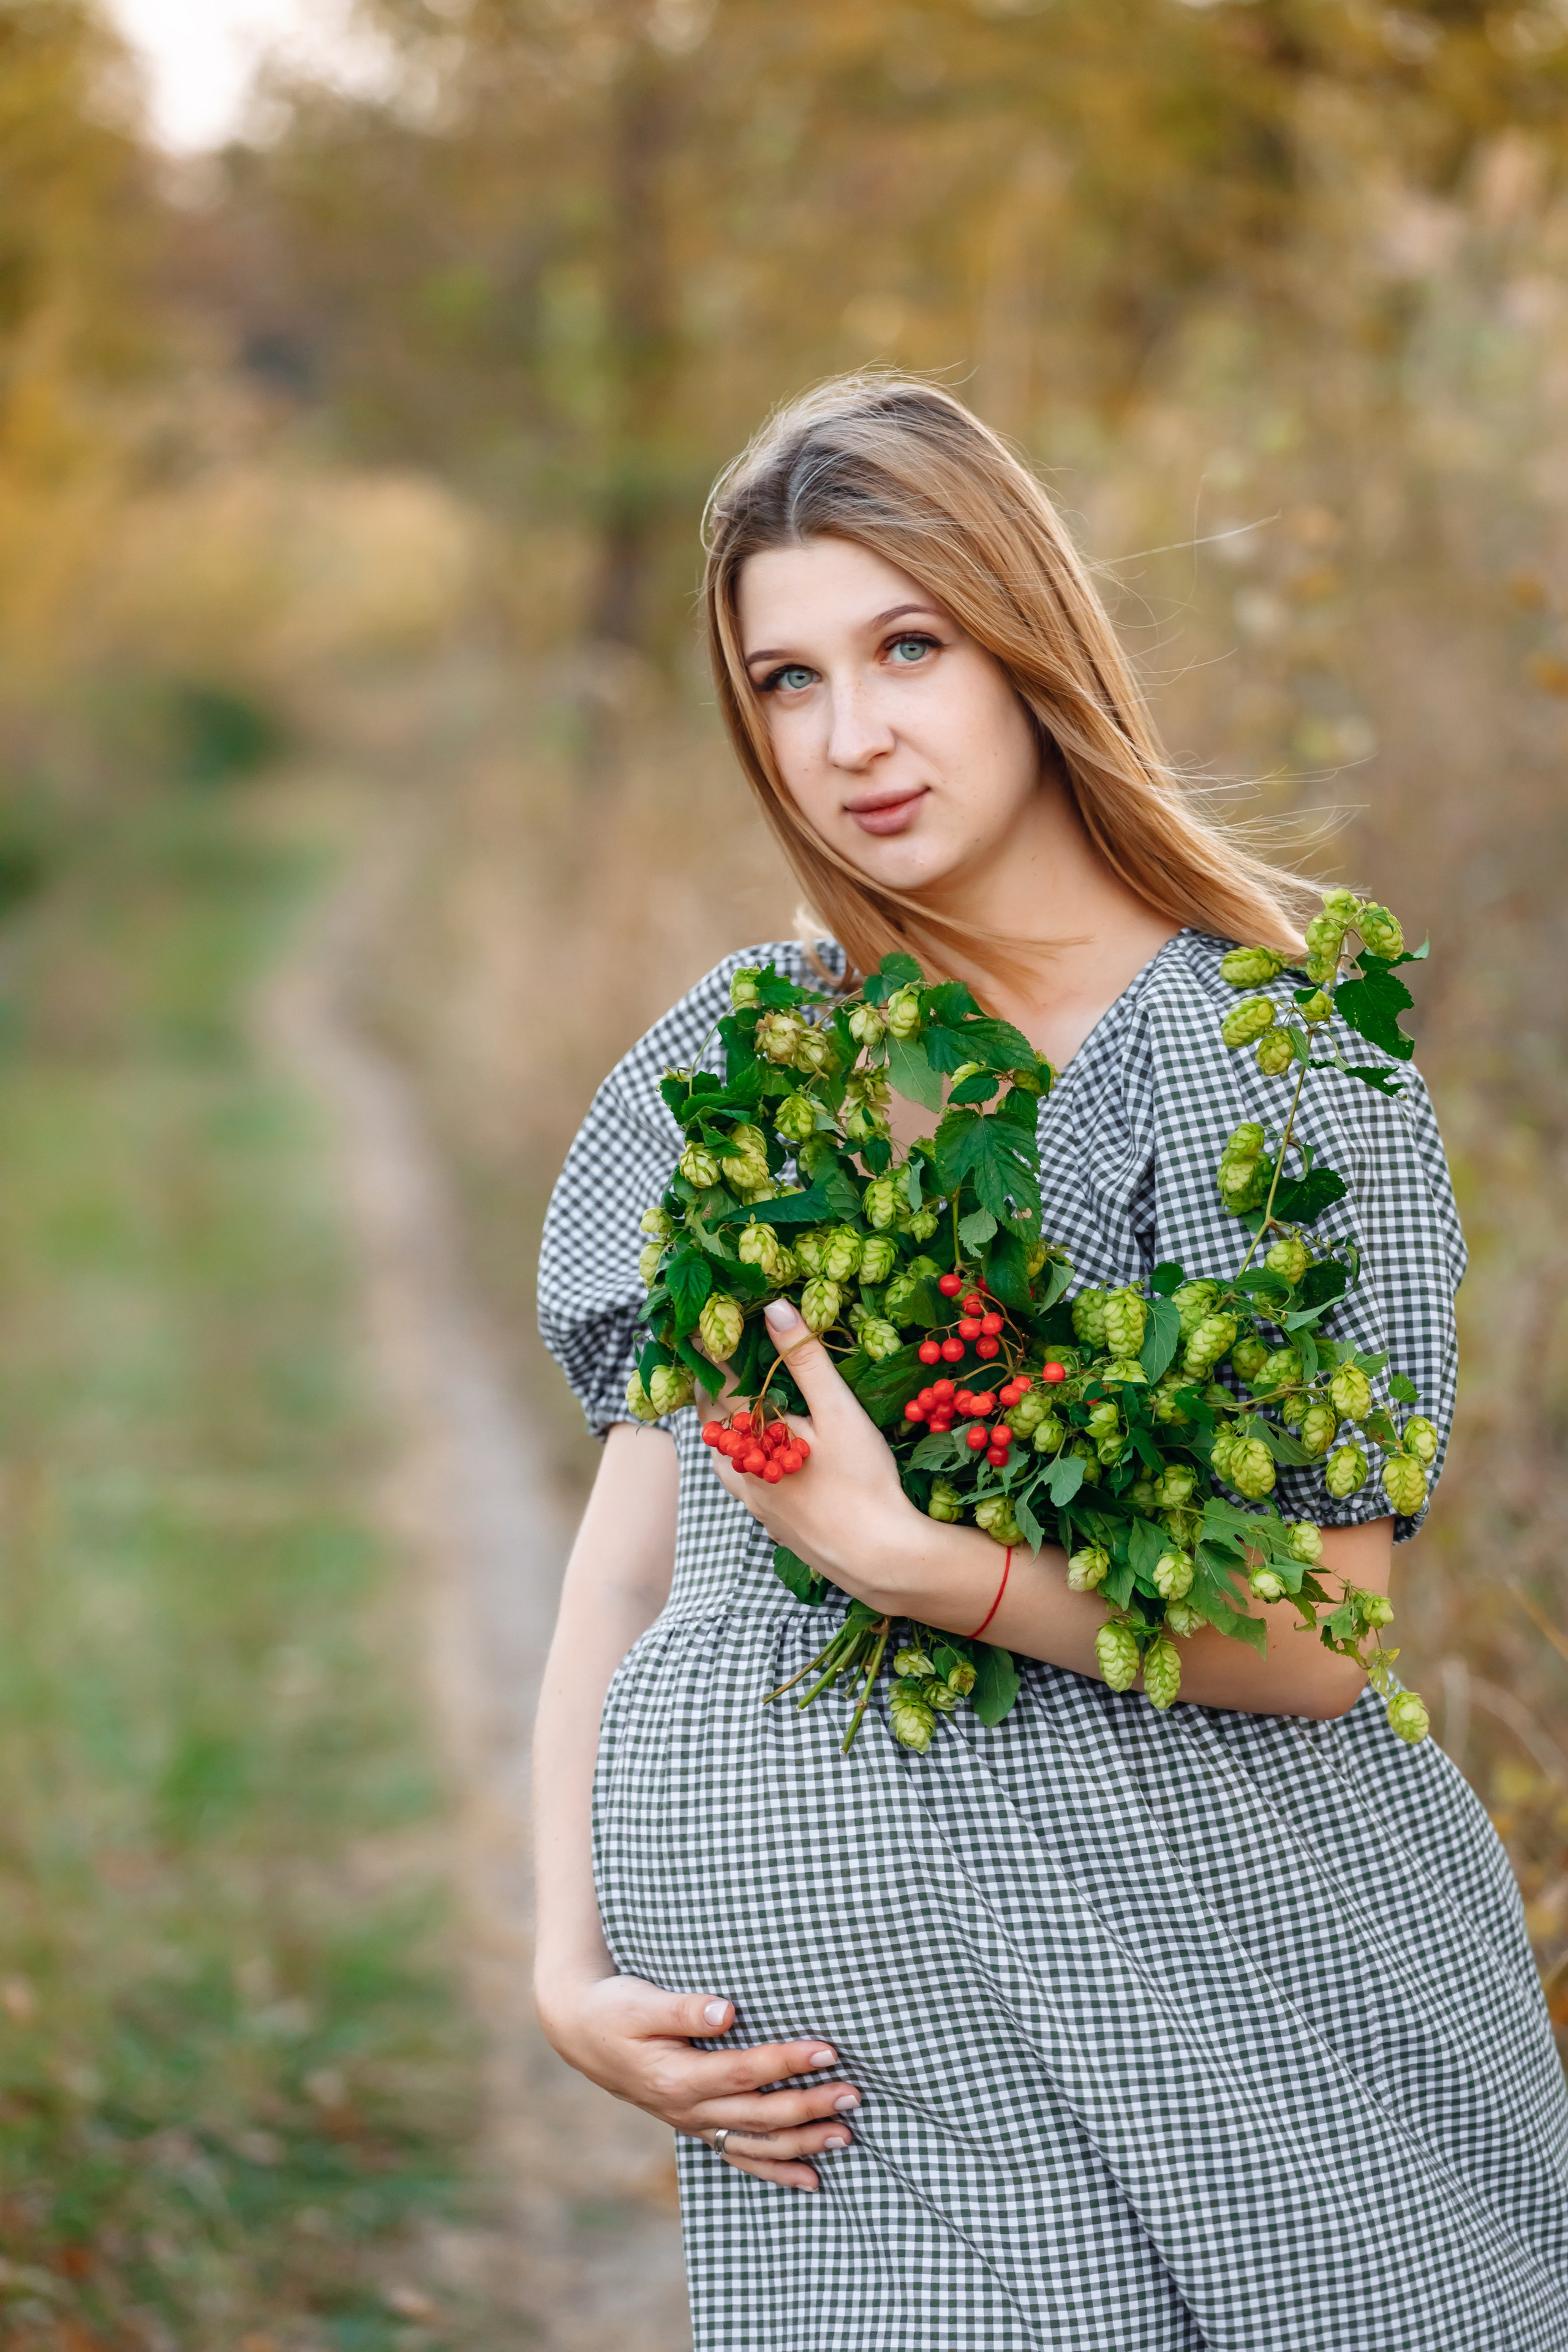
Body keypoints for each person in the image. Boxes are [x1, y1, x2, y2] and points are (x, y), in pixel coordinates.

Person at [532, 377, 1568, 2349]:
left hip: (1222, 2029)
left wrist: (926, 1568)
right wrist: (566, 1972)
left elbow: (1325, 1631)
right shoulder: (745, 1059)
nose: (855, 739)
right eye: (788, 680)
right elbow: (627, 1566)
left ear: (1024, 640)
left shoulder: (1268, 1067)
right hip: (853, 2117)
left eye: (907, 647)